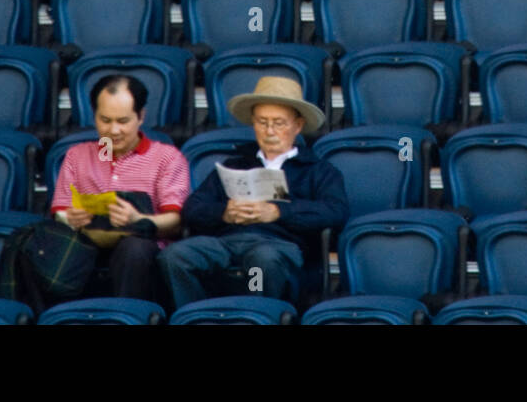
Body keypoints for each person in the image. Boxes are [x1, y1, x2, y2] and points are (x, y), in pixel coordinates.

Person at [158, 76, 348, 308]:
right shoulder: (234, 165)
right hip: (226, 242)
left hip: (277, 244)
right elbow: (194, 207)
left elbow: (335, 211)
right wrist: (224, 213)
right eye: (262, 122)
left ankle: (260, 316)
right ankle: (196, 315)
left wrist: (278, 212)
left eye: (279, 123)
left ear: (297, 126)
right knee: (175, 256)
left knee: (262, 260)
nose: (269, 131)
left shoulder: (318, 170)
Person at [49, 74, 189, 303]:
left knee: (134, 248)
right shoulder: (77, 155)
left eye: (123, 121)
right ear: (94, 116)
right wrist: (70, 218)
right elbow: (59, 211)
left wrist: (139, 219)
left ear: (141, 116)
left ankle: (127, 316)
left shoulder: (166, 158)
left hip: (140, 246)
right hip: (87, 242)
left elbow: (176, 220)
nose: (113, 131)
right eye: (105, 120)